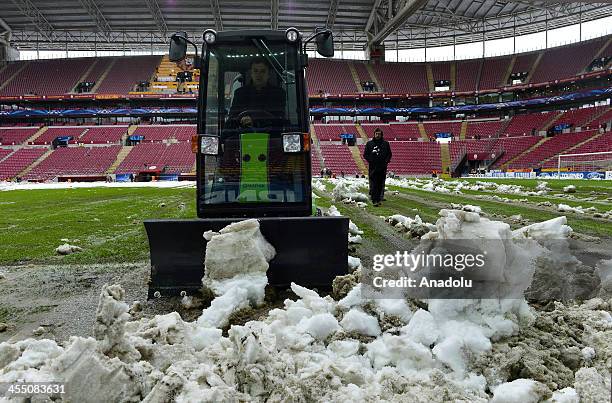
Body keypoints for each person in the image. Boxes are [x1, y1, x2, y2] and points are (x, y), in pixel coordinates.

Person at [229, 57, 286, 129]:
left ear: (268, 74)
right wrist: (241, 119)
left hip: (273, 134)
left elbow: (279, 118)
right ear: (251, 74)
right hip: (244, 133)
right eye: (255, 71)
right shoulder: (240, 93)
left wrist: (253, 120)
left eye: (263, 71)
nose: (259, 75)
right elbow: (232, 117)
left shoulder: (278, 93)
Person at [363, 128, 391, 206]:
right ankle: (374, 199)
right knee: (373, 183)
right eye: (376, 134)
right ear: (374, 134)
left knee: (380, 184)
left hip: (382, 167)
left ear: (381, 135)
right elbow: (365, 155)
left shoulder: (386, 144)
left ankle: (378, 198)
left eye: (379, 134)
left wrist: (386, 162)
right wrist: (371, 161)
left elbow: (389, 154)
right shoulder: (369, 144)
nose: (378, 135)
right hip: (373, 167)